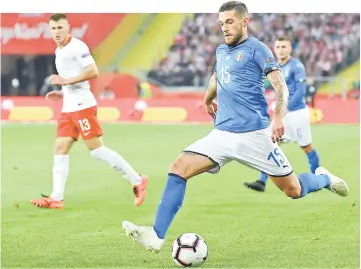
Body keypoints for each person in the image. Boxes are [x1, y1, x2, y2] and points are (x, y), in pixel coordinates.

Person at [121, 1, 349, 253]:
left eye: (229, 22)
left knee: (293, 190)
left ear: (244, 22)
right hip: (221, 135)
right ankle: (156, 236)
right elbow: (217, 76)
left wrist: (278, 117)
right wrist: (208, 98)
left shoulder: (258, 50)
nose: (224, 28)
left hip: (254, 137)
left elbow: (280, 86)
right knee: (178, 168)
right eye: (221, 23)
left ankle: (324, 178)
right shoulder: (221, 51)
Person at [30, 13, 148, 209]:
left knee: (97, 151)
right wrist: (62, 92)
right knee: (60, 148)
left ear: (68, 27)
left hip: (82, 106)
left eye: (60, 27)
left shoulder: (77, 47)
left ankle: (137, 180)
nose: (57, 32)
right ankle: (56, 197)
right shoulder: (59, 51)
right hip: (68, 106)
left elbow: (93, 71)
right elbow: (74, 78)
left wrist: (65, 82)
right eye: (53, 29)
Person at [244, 36, 320, 192]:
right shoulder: (275, 66)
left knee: (306, 147)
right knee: (271, 143)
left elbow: (300, 92)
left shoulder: (297, 66)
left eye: (284, 46)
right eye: (278, 47)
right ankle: (261, 182)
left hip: (297, 113)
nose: (280, 50)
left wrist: (284, 108)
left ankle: (317, 178)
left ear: (290, 48)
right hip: (283, 113)